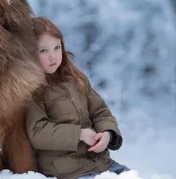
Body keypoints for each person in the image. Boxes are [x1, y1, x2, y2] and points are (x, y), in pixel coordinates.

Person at [26, 16, 130, 179]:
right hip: (67, 170)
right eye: (43, 51)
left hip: (101, 162)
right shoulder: (30, 89)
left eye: (56, 48)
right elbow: (37, 132)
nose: (53, 56)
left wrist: (107, 133)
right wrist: (78, 134)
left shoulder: (75, 78)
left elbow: (100, 111)